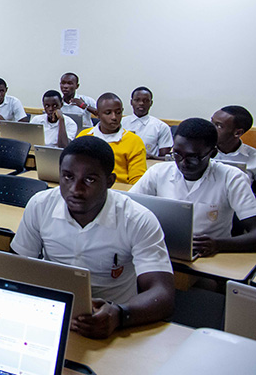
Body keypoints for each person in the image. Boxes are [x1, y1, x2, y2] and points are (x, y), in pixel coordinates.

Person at [11, 137, 174, 339]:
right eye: (68, 177)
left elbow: (163, 293)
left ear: (110, 181)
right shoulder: (40, 205)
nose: (75, 189)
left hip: (113, 323)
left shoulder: (137, 219)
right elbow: (16, 266)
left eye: (90, 180)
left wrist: (120, 314)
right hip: (51, 316)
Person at [131, 118, 256, 256]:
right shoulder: (159, 172)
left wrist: (218, 244)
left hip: (211, 256)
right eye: (177, 154)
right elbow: (129, 210)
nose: (183, 163)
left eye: (193, 157)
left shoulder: (232, 178)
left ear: (212, 153)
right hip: (160, 249)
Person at [77, 93, 147, 184]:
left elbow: (138, 182)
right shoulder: (84, 137)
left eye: (118, 113)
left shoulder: (134, 141)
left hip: (121, 193)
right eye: (108, 113)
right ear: (97, 114)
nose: (114, 117)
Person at [122, 87, 173, 158]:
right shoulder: (120, 123)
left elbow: (164, 157)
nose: (141, 103)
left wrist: (150, 157)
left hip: (149, 166)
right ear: (131, 102)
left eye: (145, 101)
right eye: (137, 100)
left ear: (151, 103)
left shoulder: (161, 127)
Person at [212, 105, 256, 182]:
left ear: (238, 133)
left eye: (218, 126)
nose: (210, 128)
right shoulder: (198, 151)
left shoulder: (254, 159)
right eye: (211, 122)